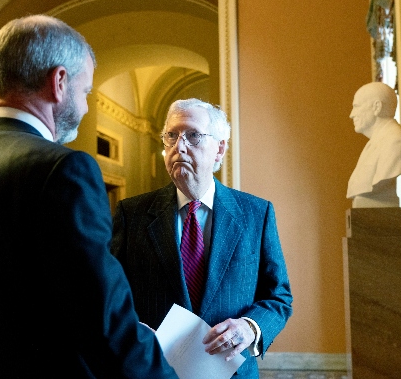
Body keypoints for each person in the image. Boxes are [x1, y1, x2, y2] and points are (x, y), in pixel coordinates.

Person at [0, 15, 177, 378]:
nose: (86, 107)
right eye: (86, 92)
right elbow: (104, 325)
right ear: (59, 82)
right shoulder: (63, 171)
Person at [111, 98, 293, 378]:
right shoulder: (131, 213)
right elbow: (107, 293)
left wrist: (249, 327)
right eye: (171, 136)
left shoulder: (256, 214)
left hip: (231, 372)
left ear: (219, 149)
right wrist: (128, 327)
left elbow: (279, 296)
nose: (179, 146)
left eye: (193, 135)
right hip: (152, 369)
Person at [346, 82, 401, 207]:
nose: (351, 114)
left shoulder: (397, 143)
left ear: (377, 107)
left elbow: (378, 182)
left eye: (356, 106)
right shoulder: (376, 142)